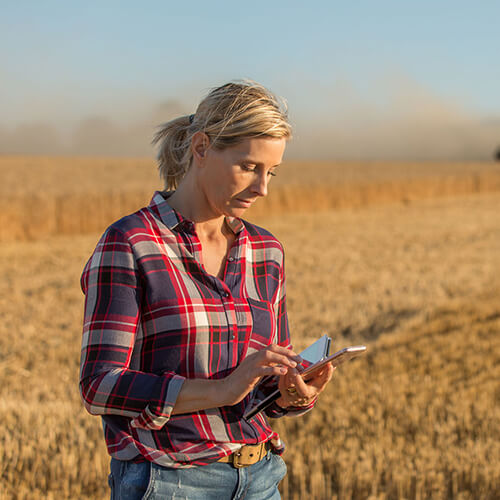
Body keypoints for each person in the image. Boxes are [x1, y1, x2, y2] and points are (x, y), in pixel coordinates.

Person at [79, 80, 334, 499]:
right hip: (169, 482)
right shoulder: (132, 242)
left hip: (261, 478)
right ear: (201, 148)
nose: (263, 187)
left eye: (272, 172)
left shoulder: (266, 250)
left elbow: (262, 389)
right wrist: (221, 389)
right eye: (249, 166)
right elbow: (99, 386)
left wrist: (293, 392)